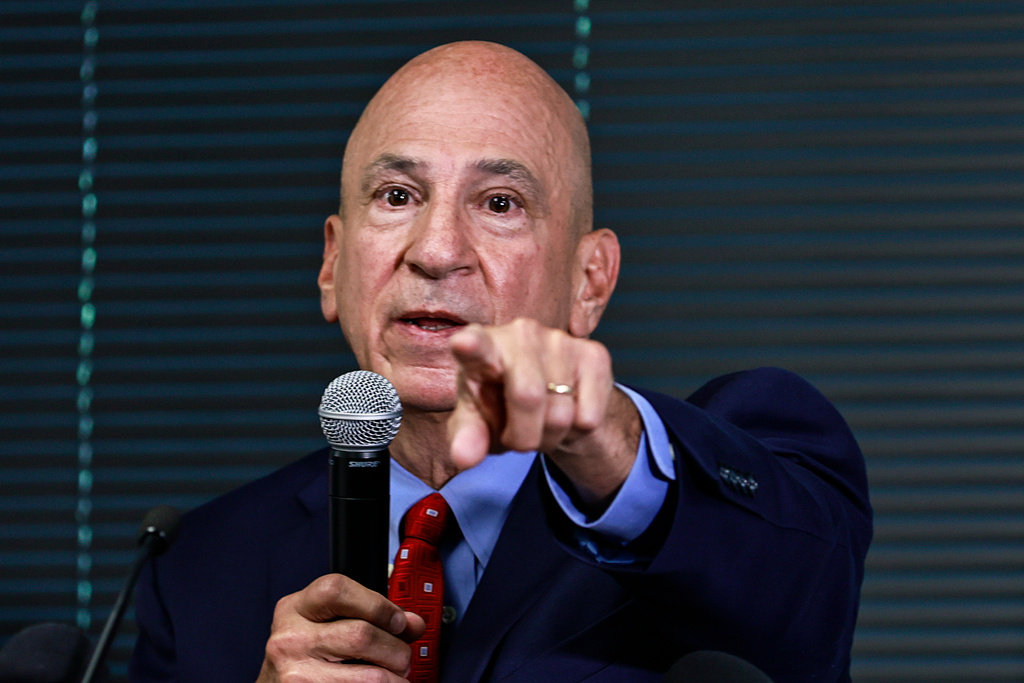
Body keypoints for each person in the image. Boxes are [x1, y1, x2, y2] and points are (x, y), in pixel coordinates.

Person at [130, 41, 872, 683]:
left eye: (499, 203)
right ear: (331, 265)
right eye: (397, 195)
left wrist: (611, 444)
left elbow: (804, 605)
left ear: (590, 282)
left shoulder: (719, 491)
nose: (436, 250)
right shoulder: (197, 568)